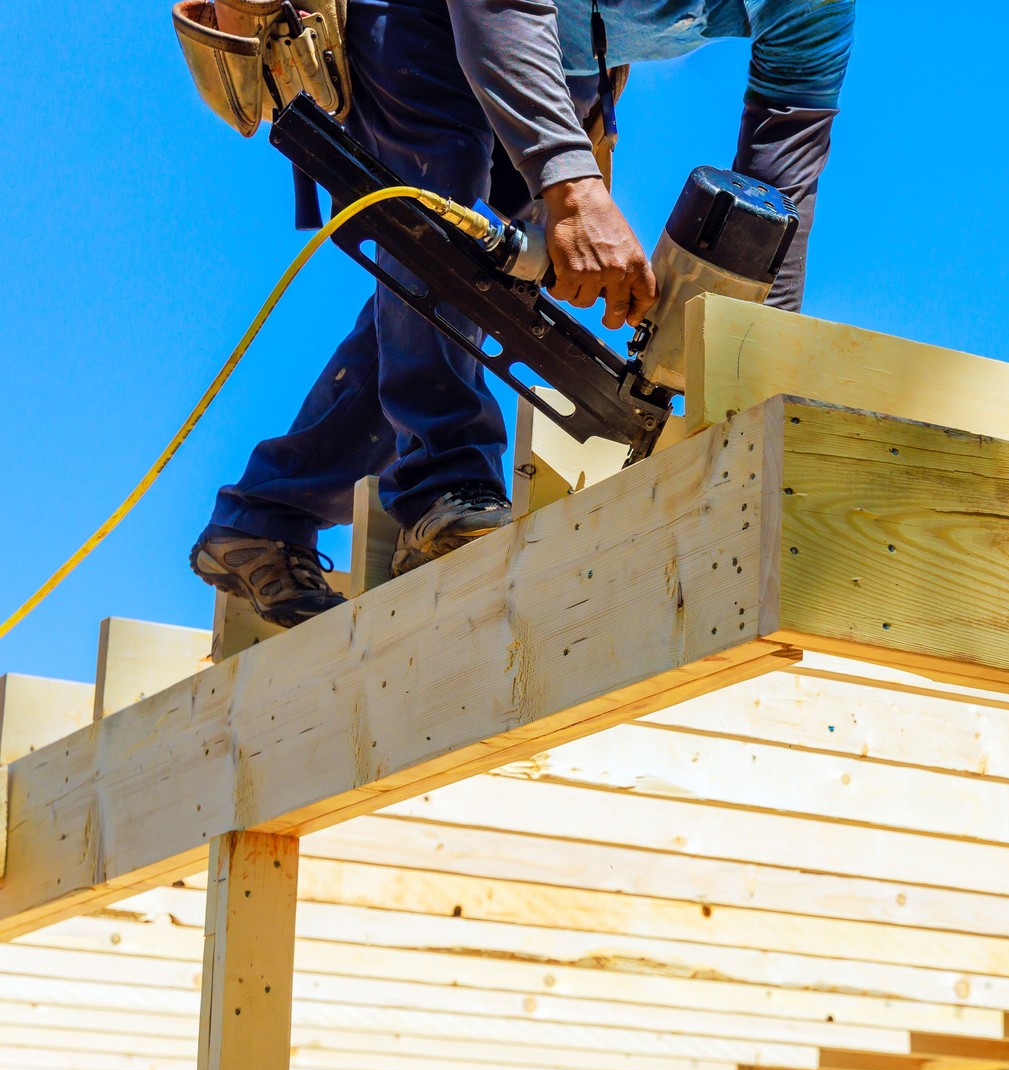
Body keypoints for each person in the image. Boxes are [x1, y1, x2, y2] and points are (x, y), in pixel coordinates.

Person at [190, 0, 853, 626]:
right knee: (435, 198)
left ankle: (268, 514)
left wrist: (751, 374)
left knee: (472, 277)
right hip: (425, 12)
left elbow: (778, 199)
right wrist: (570, 185)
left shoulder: (816, 11)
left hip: (559, 47)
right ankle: (444, 486)